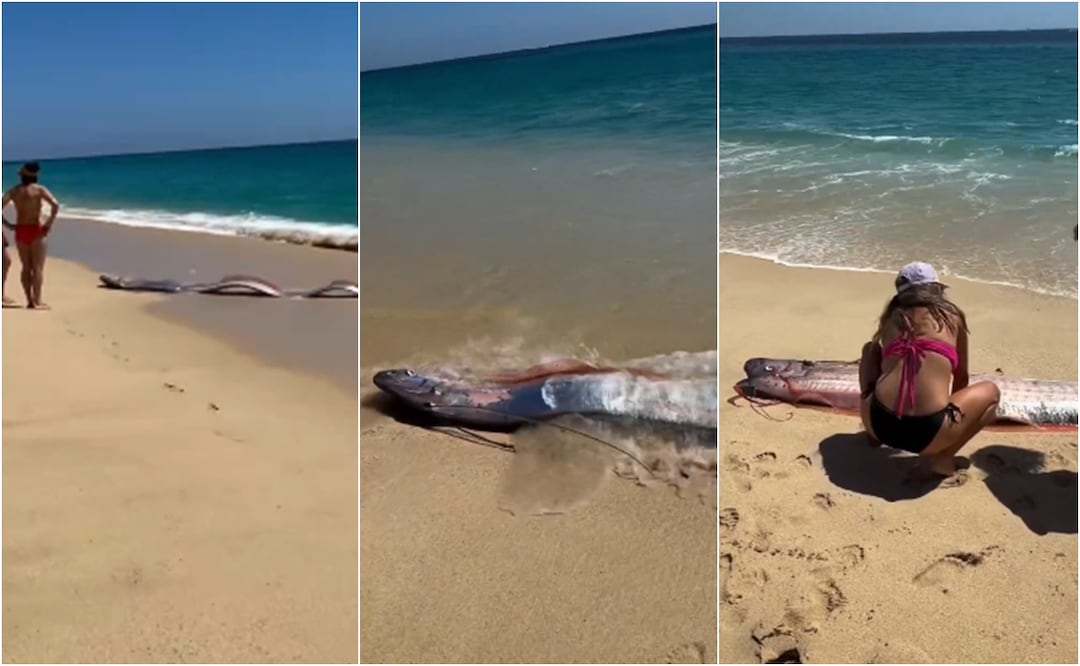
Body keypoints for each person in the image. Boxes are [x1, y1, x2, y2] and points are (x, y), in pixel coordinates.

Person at [857, 262, 1000, 483]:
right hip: (928, 434)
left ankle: (872, 438)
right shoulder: (952, 317)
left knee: (869, 350)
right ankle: (944, 457)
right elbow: (961, 376)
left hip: (878, 422)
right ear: (935, 289)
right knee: (991, 392)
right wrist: (950, 414)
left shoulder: (892, 317)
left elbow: (886, 363)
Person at [1, 162, 60, 309]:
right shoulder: (39, 190)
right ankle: (37, 301)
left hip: (21, 230)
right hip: (36, 230)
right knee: (37, 268)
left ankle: (29, 300)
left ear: (22, 176)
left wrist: (9, 225)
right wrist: (48, 224)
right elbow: (55, 205)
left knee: (26, 267)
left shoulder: (14, 191)